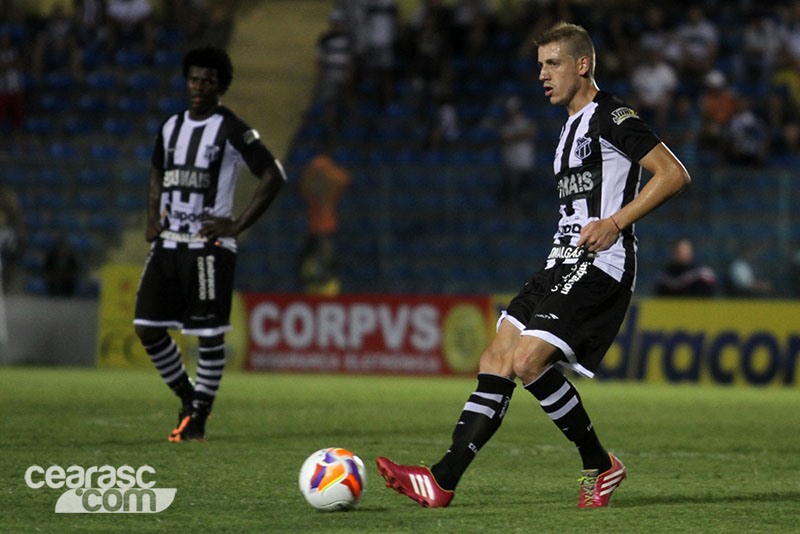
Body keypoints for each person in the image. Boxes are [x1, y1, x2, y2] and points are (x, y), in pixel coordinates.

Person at [376, 21, 691, 509]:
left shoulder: (612, 116)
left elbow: (673, 174)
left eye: (553, 64)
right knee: (497, 359)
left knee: (527, 360)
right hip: (558, 261)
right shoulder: (566, 128)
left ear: (582, 65)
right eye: (540, 65)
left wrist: (615, 222)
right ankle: (441, 481)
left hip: (601, 261)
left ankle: (598, 465)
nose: (543, 74)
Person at [133, 46, 286, 442]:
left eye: (208, 81)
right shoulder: (171, 127)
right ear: (186, 81)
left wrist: (236, 224)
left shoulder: (232, 129)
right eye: (194, 79)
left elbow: (274, 174)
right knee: (146, 326)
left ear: (221, 87)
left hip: (208, 246)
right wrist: (152, 216)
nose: (199, 87)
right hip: (169, 241)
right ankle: (190, 397)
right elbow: (156, 170)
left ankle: (199, 417)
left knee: (209, 334)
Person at [297, 149, 350, 295]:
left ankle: (328, 289)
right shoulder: (311, 187)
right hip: (315, 231)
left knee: (326, 262)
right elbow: (303, 188)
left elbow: (344, 179)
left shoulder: (333, 181)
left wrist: (325, 175)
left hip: (327, 230)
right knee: (310, 264)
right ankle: (314, 288)